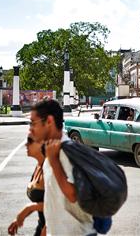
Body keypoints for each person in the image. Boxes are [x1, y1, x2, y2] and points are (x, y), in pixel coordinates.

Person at [29, 99, 96, 235]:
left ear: (49, 121)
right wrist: (47, 229)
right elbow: (55, 199)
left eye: (33, 123)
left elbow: (72, 195)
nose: (31, 129)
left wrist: (54, 162)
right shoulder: (51, 151)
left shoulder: (67, 152)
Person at [8, 136, 46, 236]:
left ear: (41, 144)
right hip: (42, 225)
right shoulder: (38, 166)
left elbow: (58, 205)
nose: (26, 144)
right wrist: (19, 219)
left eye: (30, 141)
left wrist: (29, 208)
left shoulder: (50, 169)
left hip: (52, 228)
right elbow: (40, 202)